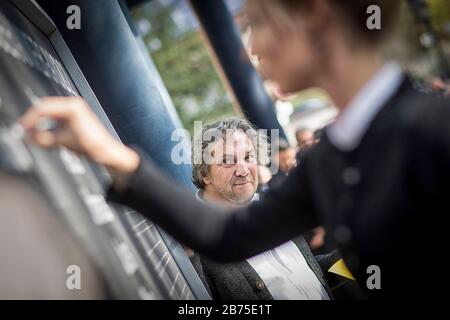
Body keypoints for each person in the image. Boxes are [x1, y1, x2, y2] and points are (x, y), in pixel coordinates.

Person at [20, 0, 450, 299]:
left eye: (257, 23)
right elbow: (229, 237)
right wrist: (107, 152)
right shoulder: (327, 160)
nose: (253, 50)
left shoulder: (434, 127)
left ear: (314, 16)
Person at [188, 118, 333, 300]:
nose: (243, 170)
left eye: (248, 157)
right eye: (227, 161)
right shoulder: (193, 241)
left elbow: (306, 273)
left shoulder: (273, 207)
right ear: (204, 174)